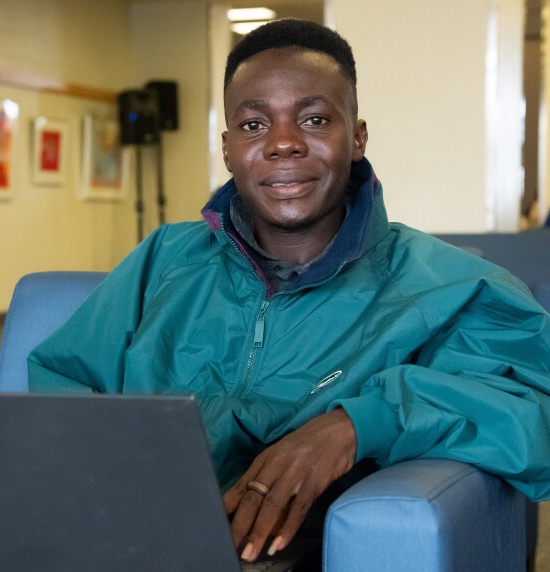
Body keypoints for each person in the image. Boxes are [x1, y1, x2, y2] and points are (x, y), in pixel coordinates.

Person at [28, 18, 550, 564]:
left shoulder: (450, 286)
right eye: (254, 125)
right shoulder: (164, 258)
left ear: (358, 137)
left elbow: (532, 414)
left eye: (315, 119)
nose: (282, 143)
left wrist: (356, 423)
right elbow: (61, 385)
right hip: (125, 539)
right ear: (228, 148)